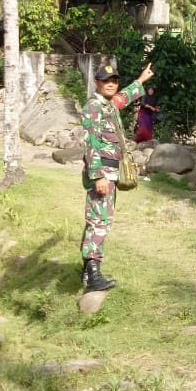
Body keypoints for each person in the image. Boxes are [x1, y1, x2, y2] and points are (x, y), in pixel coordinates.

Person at [80, 61, 155, 292]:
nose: (111, 85)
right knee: (99, 221)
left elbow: (123, 98)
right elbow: (90, 144)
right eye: (106, 81)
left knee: (98, 218)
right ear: (97, 83)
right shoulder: (94, 107)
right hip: (102, 172)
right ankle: (93, 276)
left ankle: (87, 271)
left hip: (110, 172)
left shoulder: (108, 104)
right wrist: (98, 176)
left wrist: (141, 81)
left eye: (114, 81)